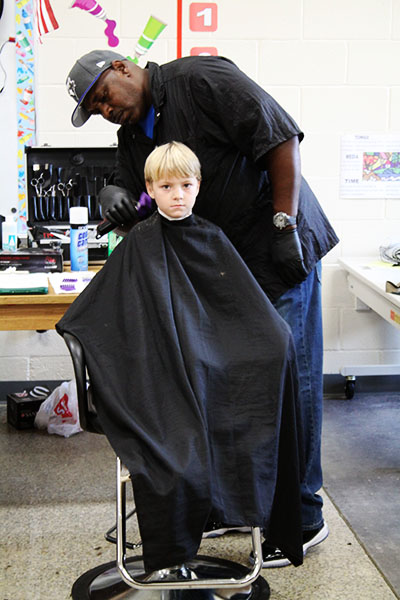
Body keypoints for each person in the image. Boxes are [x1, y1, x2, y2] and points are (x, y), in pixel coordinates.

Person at [65, 50, 339, 567]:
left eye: (103, 94)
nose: (105, 108)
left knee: (288, 375)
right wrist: (115, 193)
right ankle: (231, 503)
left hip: (279, 249)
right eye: (93, 108)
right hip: (225, 270)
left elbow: (280, 138)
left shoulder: (200, 79)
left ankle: (303, 517)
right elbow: (142, 204)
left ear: (123, 68)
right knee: (222, 383)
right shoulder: (133, 134)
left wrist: (284, 224)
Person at [56, 141, 305, 572]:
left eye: (185, 185)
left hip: (214, 371)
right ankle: (173, 554)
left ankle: (242, 521)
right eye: (166, 186)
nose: (177, 195)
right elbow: (94, 317)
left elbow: (244, 314)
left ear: (198, 185)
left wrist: (274, 341)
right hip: (158, 376)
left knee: (267, 376)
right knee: (174, 455)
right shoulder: (139, 245)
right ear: (150, 188)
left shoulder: (212, 239)